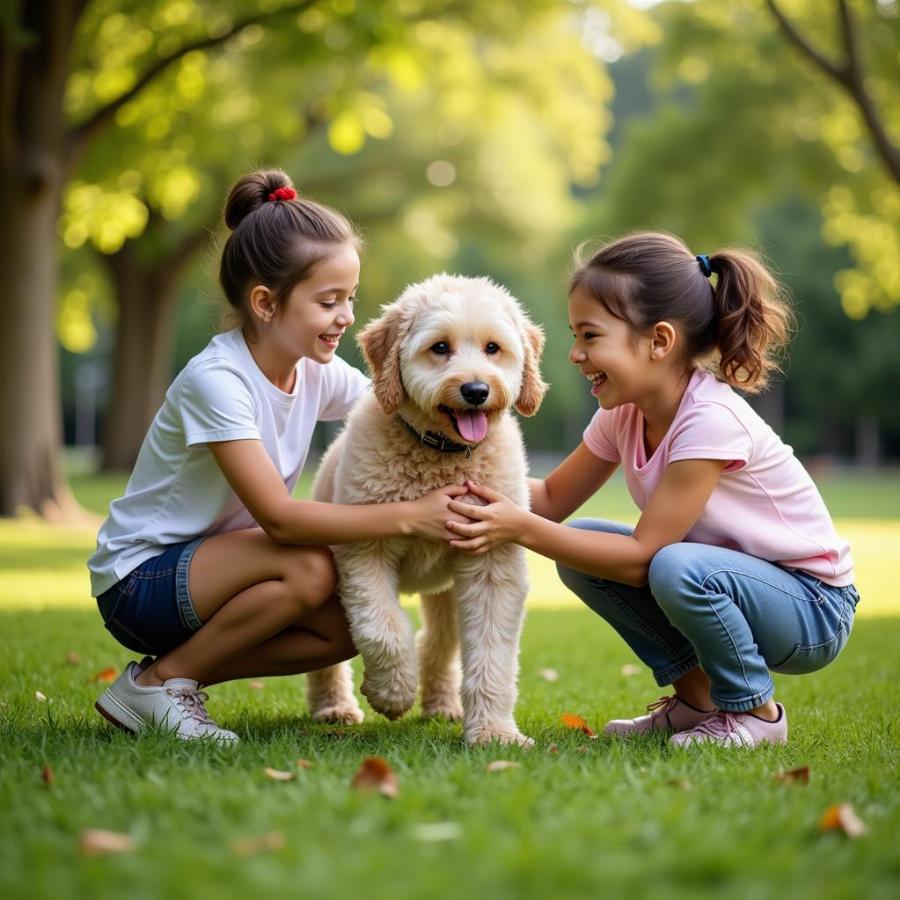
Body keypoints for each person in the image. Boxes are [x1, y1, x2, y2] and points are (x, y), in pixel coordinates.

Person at [88, 169, 467, 743]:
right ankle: (168, 680)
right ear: (265, 303)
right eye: (328, 301)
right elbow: (281, 518)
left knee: (347, 626)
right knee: (313, 564)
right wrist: (415, 514)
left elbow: (398, 408)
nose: (345, 316)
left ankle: (160, 684)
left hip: (218, 571)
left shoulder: (315, 370)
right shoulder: (218, 381)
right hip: (140, 580)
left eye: (351, 299)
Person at [444, 231, 858, 748]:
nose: (574, 354)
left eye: (590, 336)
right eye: (575, 336)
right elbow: (549, 500)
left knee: (671, 565)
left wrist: (519, 527)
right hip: (727, 582)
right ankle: (696, 702)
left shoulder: (709, 420)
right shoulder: (623, 413)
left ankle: (756, 714)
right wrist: (461, 482)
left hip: (813, 607)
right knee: (583, 547)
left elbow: (642, 556)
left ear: (659, 342)